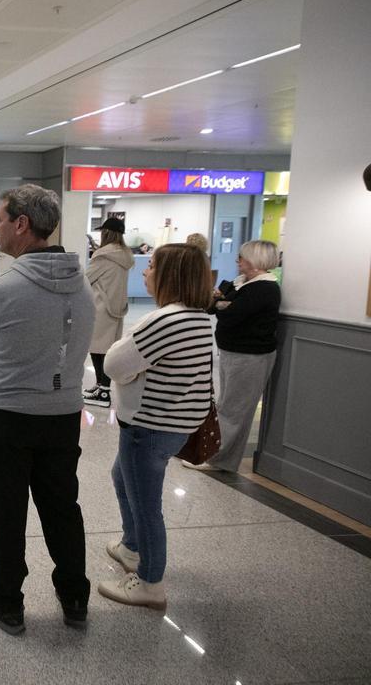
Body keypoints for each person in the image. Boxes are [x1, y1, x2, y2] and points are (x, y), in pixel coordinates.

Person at [0, 184, 94, 635]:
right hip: (62, 416)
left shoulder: (4, 287)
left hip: (7, 417)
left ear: (21, 224)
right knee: (61, 505)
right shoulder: (82, 284)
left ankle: (7, 601)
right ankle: (74, 595)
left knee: (6, 507)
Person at [100, 243, 214, 610]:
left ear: (170, 275)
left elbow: (115, 365)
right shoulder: (200, 317)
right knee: (122, 477)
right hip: (176, 423)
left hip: (147, 427)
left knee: (146, 504)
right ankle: (132, 547)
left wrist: (131, 365)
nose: (145, 273)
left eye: (150, 267)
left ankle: (150, 581)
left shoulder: (166, 320)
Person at [186, 239, 281, 472]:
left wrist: (222, 304)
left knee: (233, 410)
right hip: (233, 352)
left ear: (255, 261)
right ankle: (218, 456)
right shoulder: (242, 283)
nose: (238, 261)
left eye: (243, 257)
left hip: (250, 356)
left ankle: (217, 459)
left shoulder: (264, 288)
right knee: (226, 405)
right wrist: (221, 303)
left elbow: (230, 316)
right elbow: (211, 307)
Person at [84, 217, 134, 407]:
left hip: (100, 307)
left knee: (98, 349)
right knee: (105, 348)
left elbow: (87, 279)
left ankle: (103, 392)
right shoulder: (124, 255)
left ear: (106, 233)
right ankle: (100, 385)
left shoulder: (103, 256)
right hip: (116, 306)